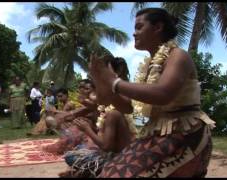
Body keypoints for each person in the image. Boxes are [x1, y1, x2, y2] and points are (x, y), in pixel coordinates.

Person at [89, 8, 216, 178]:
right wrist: (103, 84)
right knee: (108, 172)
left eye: (139, 27)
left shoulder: (178, 55)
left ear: (157, 28)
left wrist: (114, 83)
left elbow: (163, 94)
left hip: (185, 133)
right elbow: (127, 107)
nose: (134, 33)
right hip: (157, 133)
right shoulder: (148, 66)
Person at [59, 57, 137, 178]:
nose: (96, 88)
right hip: (110, 154)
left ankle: (88, 171)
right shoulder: (108, 106)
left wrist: (86, 129)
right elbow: (92, 107)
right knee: (75, 152)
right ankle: (83, 171)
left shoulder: (113, 113)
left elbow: (106, 146)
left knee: (72, 157)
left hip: (116, 159)